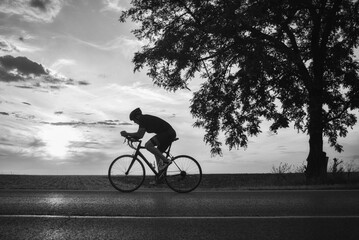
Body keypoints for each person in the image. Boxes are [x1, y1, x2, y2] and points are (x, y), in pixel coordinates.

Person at [121, 108, 177, 172]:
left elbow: (139, 135)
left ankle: (166, 161)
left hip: (167, 133)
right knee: (157, 153)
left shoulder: (142, 119)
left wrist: (127, 134)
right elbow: (140, 135)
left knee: (148, 145)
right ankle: (160, 177)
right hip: (168, 133)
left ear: (137, 117)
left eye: (134, 120)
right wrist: (131, 137)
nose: (134, 122)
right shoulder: (144, 119)